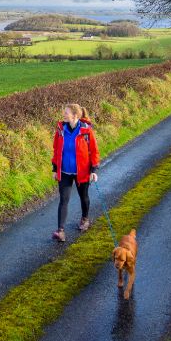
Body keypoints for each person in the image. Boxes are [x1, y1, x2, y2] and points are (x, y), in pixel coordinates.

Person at [51, 102, 99, 242]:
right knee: (63, 200)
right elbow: (56, 150)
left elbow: (94, 151)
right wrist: (55, 169)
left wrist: (93, 170)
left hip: (82, 172)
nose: (63, 115)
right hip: (65, 171)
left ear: (75, 115)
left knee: (83, 197)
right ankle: (60, 231)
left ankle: (85, 219)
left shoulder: (86, 131)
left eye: (66, 113)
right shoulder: (60, 130)